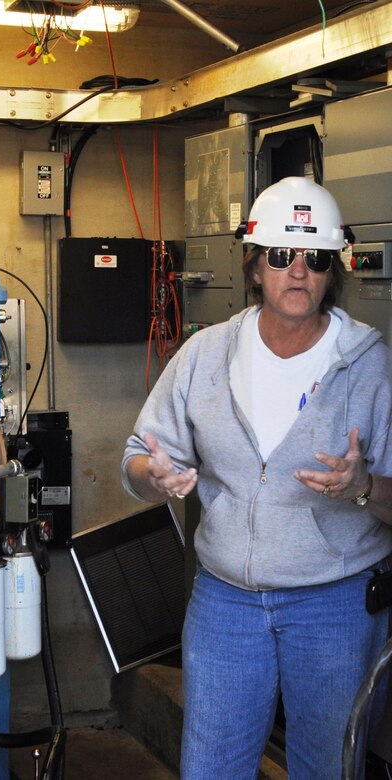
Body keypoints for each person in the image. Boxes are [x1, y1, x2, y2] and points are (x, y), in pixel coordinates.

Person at [121, 176, 392, 780]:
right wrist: (154, 476)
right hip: (225, 604)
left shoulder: (370, 365)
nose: (298, 271)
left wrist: (364, 486)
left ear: (332, 271)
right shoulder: (206, 354)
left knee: (326, 769)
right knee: (211, 768)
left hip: (336, 604)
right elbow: (138, 457)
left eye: (315, 258)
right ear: (253, 266)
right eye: (281, 256)